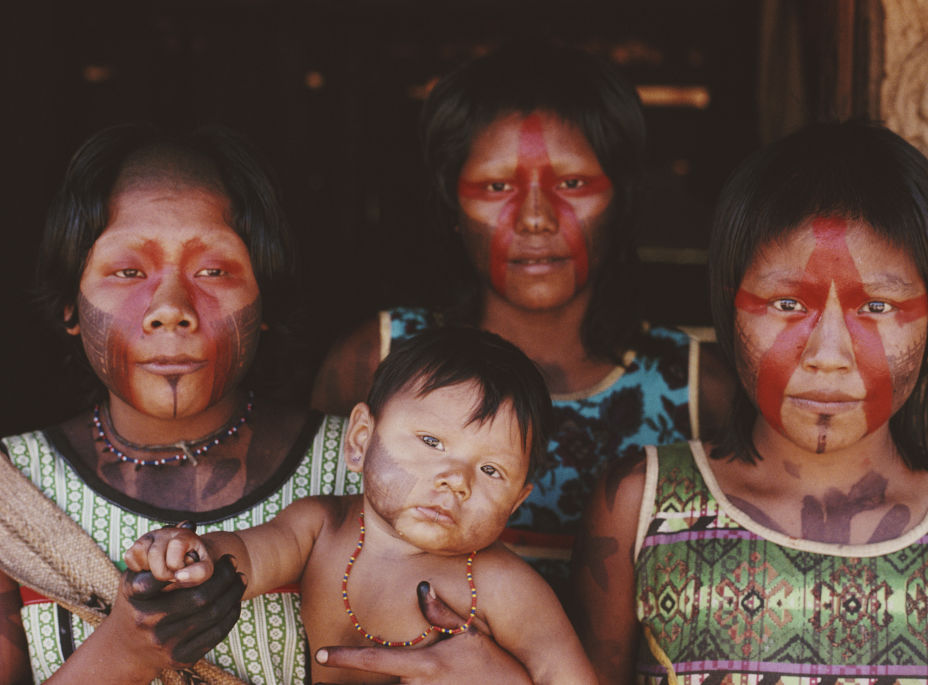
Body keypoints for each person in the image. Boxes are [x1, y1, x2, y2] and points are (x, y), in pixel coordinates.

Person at [570, 121, 928, 683]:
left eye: (878, 307)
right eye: (786, 302)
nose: (827, 354)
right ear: (728, 309)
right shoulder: (642, 507)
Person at [311, 40, 733, 594]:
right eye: (496, 187)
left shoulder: (699, 390)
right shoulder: (379, 357)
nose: (535, 218)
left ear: (624, 198)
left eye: (573, 184)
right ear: (450, 206)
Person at [0, 123, 362, 684]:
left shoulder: (367, 471)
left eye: (213, 271)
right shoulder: (9, 494)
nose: (170, 308)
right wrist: (122, 653)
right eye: (127, 271)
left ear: (265, 297)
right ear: (70, 305)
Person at [127, 326, 597, 685]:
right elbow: (247, 557)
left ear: (516, 503)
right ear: (359, 440)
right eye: (432, 441)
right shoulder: (321, 526)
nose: (456, 480)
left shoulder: (504, 585)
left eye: (491, 471)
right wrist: (192, 553)